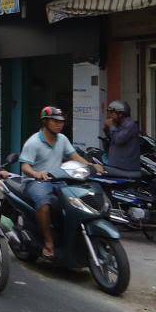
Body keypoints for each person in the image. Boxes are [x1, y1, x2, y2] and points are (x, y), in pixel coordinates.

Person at [18, 106, 99, 259]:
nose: (59, 124)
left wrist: (92, 166)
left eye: (61, 121)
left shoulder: (62, 139)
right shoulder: (33, 142)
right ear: (45, 122)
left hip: (58, 180)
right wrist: (37, 174)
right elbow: (24, 166)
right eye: (55, 121)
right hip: (35, 182)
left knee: (75, 201)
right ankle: (48, 242)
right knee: (44, 204)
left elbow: (74, 156)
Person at [103, 100, 141, 173]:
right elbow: (112, 139)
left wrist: (111, 126)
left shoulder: (130, 125)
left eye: (112, 113)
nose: (110, 116)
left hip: (125, 168)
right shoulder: (118, 124)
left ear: (120, 114)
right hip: (116, 165)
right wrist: (107, 129)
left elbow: (118, 140)